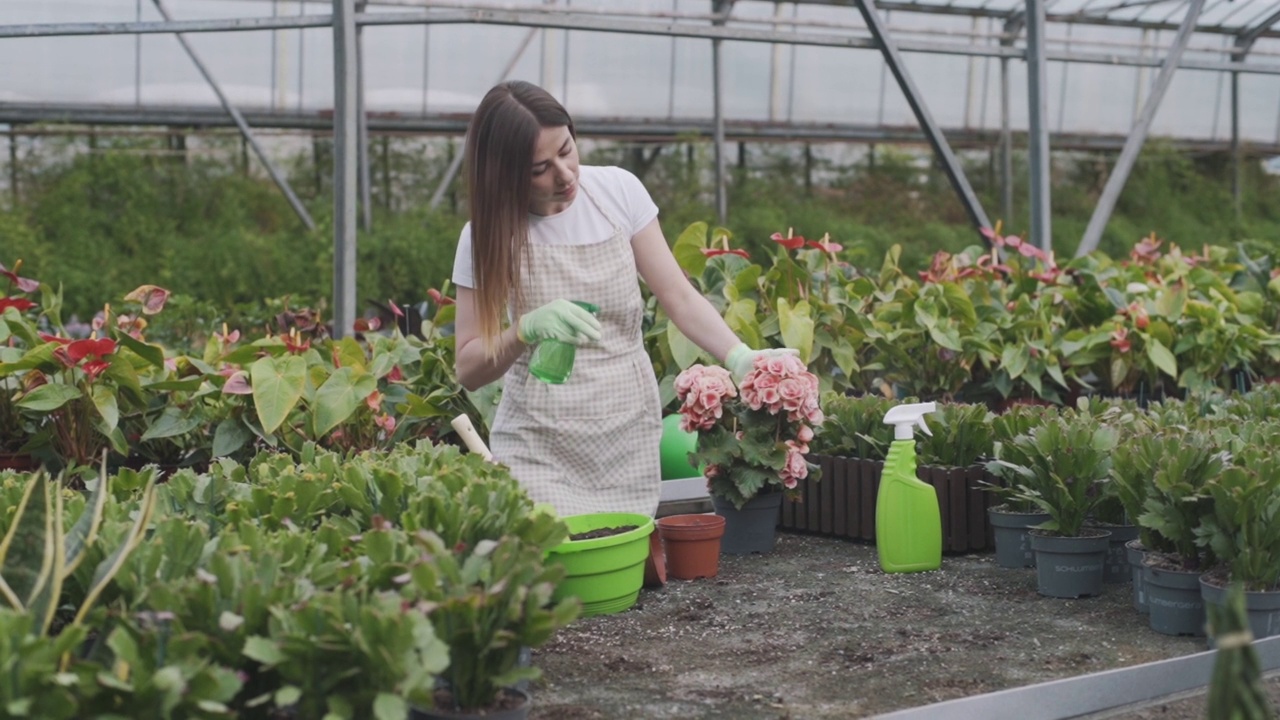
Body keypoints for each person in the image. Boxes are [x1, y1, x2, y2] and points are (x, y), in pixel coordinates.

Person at [452, 80, 796, 518]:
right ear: (503, 172)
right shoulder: (487, 236)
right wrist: (523, 330)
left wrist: (740, 356)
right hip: (538, 443)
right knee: (557, 567)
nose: (565, 174)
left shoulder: (617, 193)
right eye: (540, 168)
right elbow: (468, 367)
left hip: (624, 436)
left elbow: (678, 297)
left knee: (623, 569)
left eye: (567, 149)